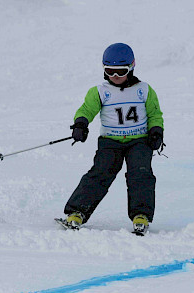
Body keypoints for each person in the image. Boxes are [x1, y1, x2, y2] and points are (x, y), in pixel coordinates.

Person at [63, 43, 164, 234]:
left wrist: (156, 131)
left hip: (139, 141)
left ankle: (140, 215)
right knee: (100, 173)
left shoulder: (144, 90)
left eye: (120, 72)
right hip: (110, 142)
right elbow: (87, 109)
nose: (115, 77)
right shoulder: (100, 91)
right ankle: (77, 211)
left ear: (132, 68)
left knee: (141, 175)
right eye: (110, 72)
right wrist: (80, 124)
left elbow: (154, 114)